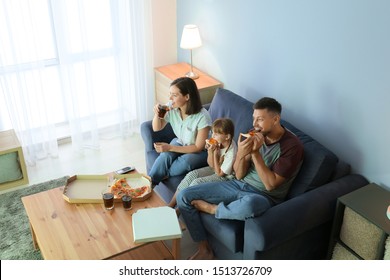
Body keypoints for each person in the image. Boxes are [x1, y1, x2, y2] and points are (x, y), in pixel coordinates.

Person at [176, 97, 304, 260]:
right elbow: (239, 174)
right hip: (237, 184)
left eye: (260, 119)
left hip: (263, 196)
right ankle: (204, 249)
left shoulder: (292, 147)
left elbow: (270, 184)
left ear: (275, 119)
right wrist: (242, 153)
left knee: (250, 205)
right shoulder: (255, 133)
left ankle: (214, 209)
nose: (255, 124)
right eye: (254, 118)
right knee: (184, 196)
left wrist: (255, 153)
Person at [148, 77, 212, 186]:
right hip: (181, 141)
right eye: (170, 94)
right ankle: (148, 186)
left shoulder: (202, 117)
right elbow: (156, 128)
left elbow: (198, 147)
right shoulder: (172, 109)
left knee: (185, 162)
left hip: (202, 151)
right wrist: (157, 114)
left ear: (187, 97)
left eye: (174, 95)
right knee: (165, 156)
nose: (170, 98)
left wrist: (170, 147)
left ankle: (161, 176)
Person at [167, 118, 237, 209]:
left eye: (216, 134)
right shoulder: (219, 143)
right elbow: (211, 165)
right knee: (192, 175)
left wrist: (215, 154)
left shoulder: (232, 152)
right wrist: (210, 151)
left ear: (227, 137)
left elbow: (220, 174)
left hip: (226, 178)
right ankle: (170, 205)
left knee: (196, 182)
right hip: (215, 168)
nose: (213, 136)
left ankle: (179, 209)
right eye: (212, 133)